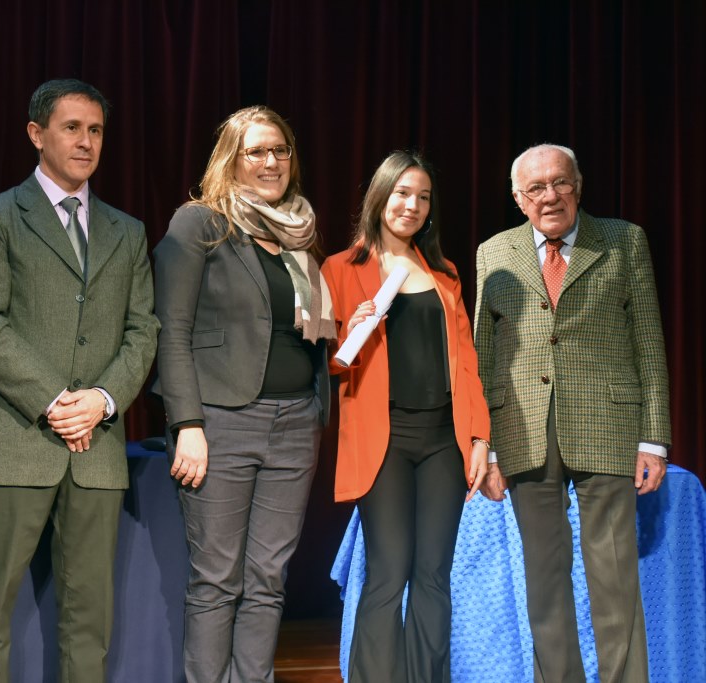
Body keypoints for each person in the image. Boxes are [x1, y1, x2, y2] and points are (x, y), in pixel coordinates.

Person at [0, 78, 158, 683]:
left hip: (97, 449)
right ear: (36, 134)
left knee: (89, 625)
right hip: (16, 442)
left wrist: (99, 400)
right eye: (72, 128)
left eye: (96, 130)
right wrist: (54, 401)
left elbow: (142, 331)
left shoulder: (128, 231)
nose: (86, 141)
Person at [475, 143, 670, 683]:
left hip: (609, 425)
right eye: (535, 188)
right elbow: (483, 356)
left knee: (614, 579)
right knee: (544, 579)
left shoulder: (624, 241)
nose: (550, 195)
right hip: (522, 430)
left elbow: (649, 344)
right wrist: (485, 445)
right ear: (518, 199)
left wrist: (654, 439)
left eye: (559, 182)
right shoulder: (494, 252)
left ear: (578, 186)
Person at [153, 105, 335, 682]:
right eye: (256, 150)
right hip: (221, 422)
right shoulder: (200, 224)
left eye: (279, 150)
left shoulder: (300, 232)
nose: (270, 161)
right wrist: (187, 424)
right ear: (231, 159)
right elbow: (171, 330)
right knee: (217, 579)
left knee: (268, 581)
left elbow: (309, 334)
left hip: (295, 423)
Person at [320, 151, 489, 682]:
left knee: (433, 576)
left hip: (444, 439)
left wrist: (480, 436)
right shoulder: (341, 270)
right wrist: (355, 329)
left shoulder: (444, 273)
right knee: (388, 575)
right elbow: (328, 363)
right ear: (380, 196)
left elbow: (467, 364)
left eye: (422, 197)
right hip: (385, 442)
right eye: (402, 193)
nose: (411, 205)